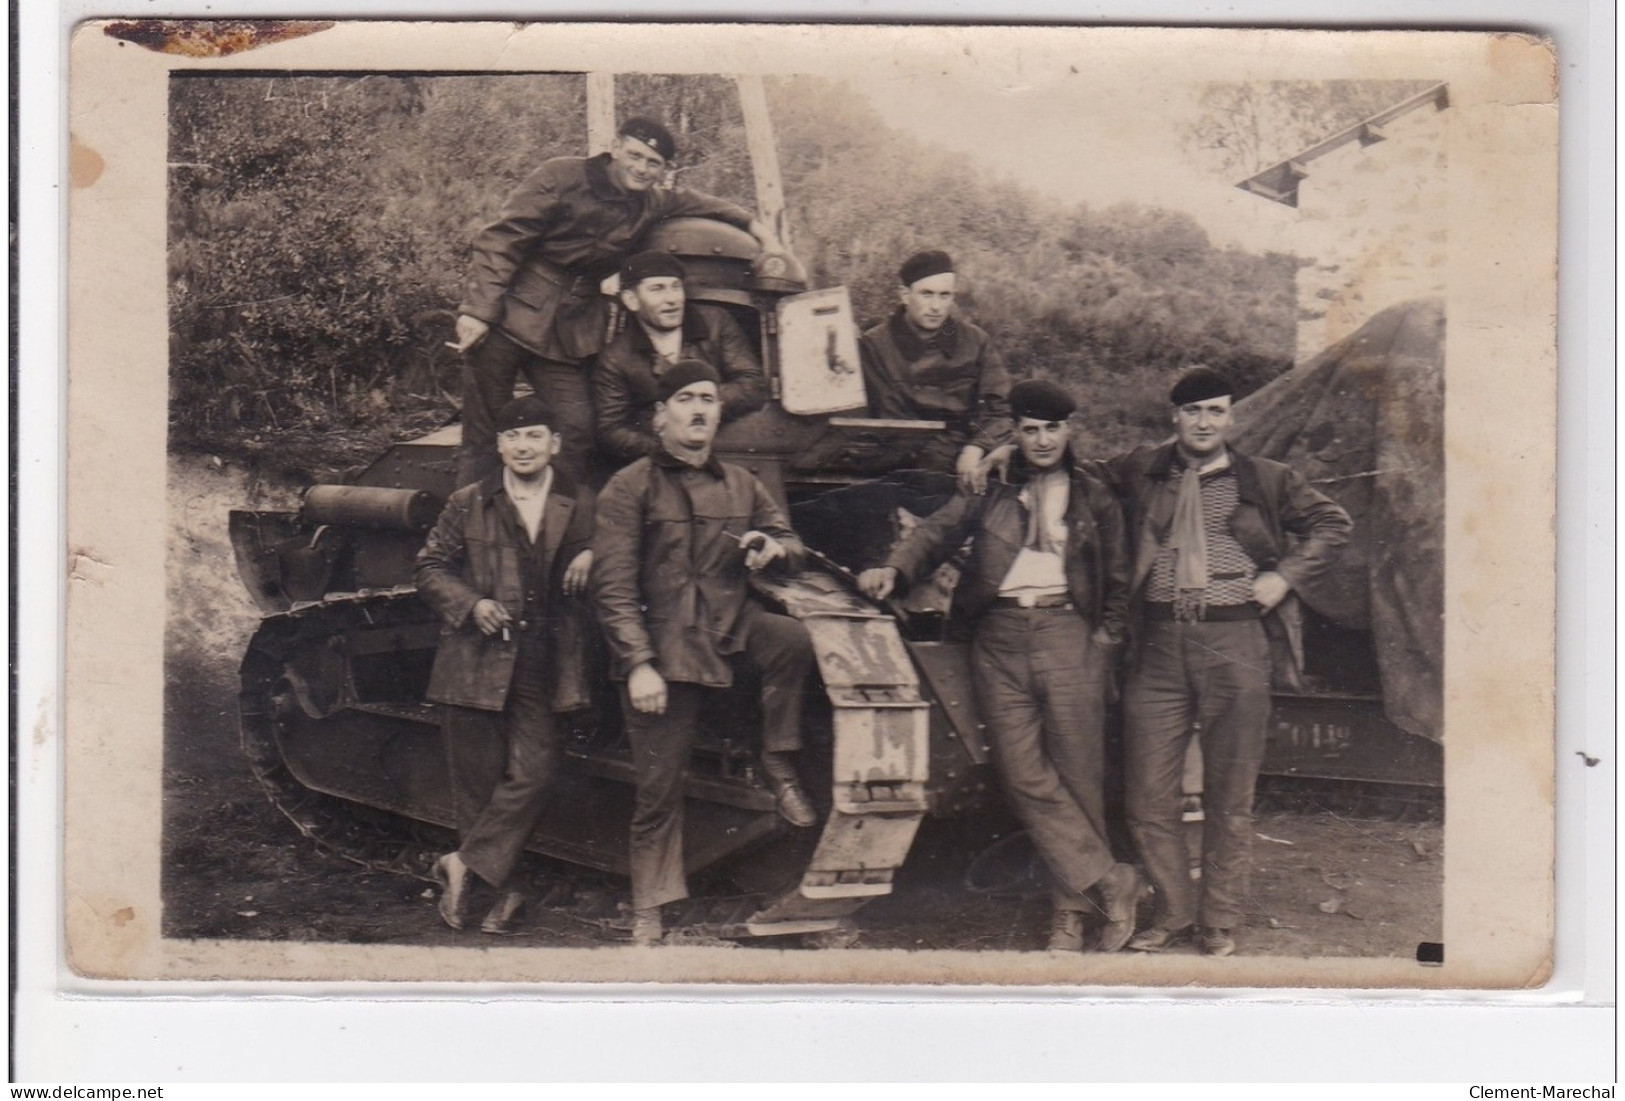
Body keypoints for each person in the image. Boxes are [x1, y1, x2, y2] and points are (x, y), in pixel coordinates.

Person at [857, 379, 1143, 953]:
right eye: (1030, 430)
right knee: (1021, 774)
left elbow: (1118, 579)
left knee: (1078, 775)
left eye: (1052, 429)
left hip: (1069, 635)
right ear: (1016, 432)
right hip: (998, 639)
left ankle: (1069, 914)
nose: (1041, 441)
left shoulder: (1095, 494)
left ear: (1070, 431)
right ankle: (1109, 880)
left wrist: (1103, 643)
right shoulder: (991, 489)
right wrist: (896, 567)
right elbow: (937, 531)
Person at [1095, 367, 1353, 957]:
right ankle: (1174, 913)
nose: (1204, 422)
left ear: (1231, 417)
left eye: (1214, 411)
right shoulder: (1144, 469)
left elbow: (1333, 523)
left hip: (1234, 642)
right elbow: (1073, 470)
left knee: (1229, 793)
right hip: (1158, 645)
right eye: (1192, 412)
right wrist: (995, 446)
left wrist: (1284, 576)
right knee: (1146, 796)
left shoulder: (1264, 479)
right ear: (1175, 418)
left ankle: (1219, 921)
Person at [590, 360, 817, 946]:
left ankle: (777, 757)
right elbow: (612, 588)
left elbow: (791, 543)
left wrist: (774, 546)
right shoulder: (629, 485)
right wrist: (638, 663)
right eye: (685, 399)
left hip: (728, 632)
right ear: (660, 414)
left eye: (709, 400)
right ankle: (650, 911)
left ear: (720, 412)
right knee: (658, 790)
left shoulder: (743, 483)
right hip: (663, 647)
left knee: (791, 638)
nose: (698, 410)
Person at [453, 116, 784, 487]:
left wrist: (760, 232)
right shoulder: (561, 176)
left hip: (570, 331)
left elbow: (706, 205)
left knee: (576, 430)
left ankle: (563, 532)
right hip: (508, 316)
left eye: (653, 164)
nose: (641, 168)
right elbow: (502, 240)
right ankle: (473, 531)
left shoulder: (652, 202)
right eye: (635, 156)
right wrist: (478, 312)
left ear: (663, 170)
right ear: (615, 147)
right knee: (486, 436)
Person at [415, 395, 597, 934]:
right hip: (475, 659)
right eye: (514, 437)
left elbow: (617, 540)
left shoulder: (578, 503)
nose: (523, 446)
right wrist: (471, 604)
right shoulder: (469, 502)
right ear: (499, 446)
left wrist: (595, 553)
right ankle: (499, 894)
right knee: (477, 784)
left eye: (535, 436)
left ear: (554, 445)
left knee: (536, 773)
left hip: (543, 661)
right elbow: (429, 566)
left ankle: (462, 864)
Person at [858, 249, 1013, 495]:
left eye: (944, 296)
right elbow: (894, 423)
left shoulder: (975, 341)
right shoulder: (875, 345)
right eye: (926, 294)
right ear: (905, 296)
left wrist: (977, 447)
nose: (936, 307)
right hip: (903, 466)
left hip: (968, 458)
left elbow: (1000, 410)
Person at [593, 251, 766, 466]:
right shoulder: (617, 357)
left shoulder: (716, 323)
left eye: (676, 287)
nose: (672, 299)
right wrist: (667, 450)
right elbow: (611, 429)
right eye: (657, 289)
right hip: (660, 461)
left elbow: (752, 383)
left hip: (728, 449)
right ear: (631, 300)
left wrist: (694, 407)